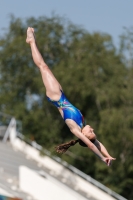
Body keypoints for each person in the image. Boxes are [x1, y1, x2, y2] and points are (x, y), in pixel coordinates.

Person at [26, 27, 116, 166]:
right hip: (60, 95)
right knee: (44, 67)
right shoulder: (82, 125)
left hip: (56, 97)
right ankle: (33, 41)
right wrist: (108, 155)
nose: (92, 129)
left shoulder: (75, 129)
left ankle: (31, 41)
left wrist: (102, 159)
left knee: (43, 67)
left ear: (85, 136)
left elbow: (92, 146)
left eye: (91, 132)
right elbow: (98, 144)